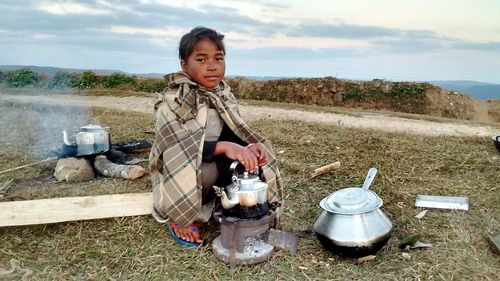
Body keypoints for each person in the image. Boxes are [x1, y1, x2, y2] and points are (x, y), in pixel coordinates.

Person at [149, 26, 283, 247]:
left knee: (253, 165)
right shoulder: (173, 101)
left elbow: (234, 133)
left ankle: (232, 207)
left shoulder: (223, 94)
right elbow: (175, 150)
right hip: (185, 170)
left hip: (215, 162)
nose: (212, 66)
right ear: (184, 64)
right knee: (206, 170)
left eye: (218, 58)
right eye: (201, 60)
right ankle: (179, 219)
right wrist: (224, 147)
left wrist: (248, 147)